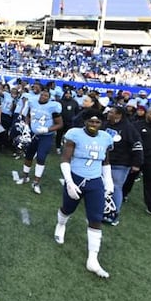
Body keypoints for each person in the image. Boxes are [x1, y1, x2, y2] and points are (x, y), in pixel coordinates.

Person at [53, 108, 114, 278]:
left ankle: (92, 260)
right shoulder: (75, 134)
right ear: (85, 121)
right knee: (67, 208)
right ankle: (61, 225)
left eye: (97, 122)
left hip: (95, 181)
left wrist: (108, 180)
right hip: (76, 177)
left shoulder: (105, 137)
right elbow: (65, 158)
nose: (94, 125)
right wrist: (69, 182)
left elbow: (106, 161)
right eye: (91, 121)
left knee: (96, 218)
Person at [15, 89, 63, 195]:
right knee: (28, 155)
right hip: (33, 134)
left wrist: (47, 129)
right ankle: (25, 177)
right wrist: (27, 125)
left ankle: (36, 182)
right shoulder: (32, 102)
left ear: (49, 97)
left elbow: (60, 124)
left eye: (46, 96)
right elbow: (28, 115)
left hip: (46, 136)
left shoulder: (53, 107)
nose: (43, 97)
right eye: (42, 95)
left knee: (41, 157)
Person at [102, 106, 143, 225]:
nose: (108, 114)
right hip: (103, 162)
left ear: (118, 115)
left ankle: (114, 214)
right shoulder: (105, 124)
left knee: (115, 187)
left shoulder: (129, 128)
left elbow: (137, 145)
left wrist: (137, 163)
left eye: (111, 112)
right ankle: (104, 209)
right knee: (102, 185)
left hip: (120, 163)